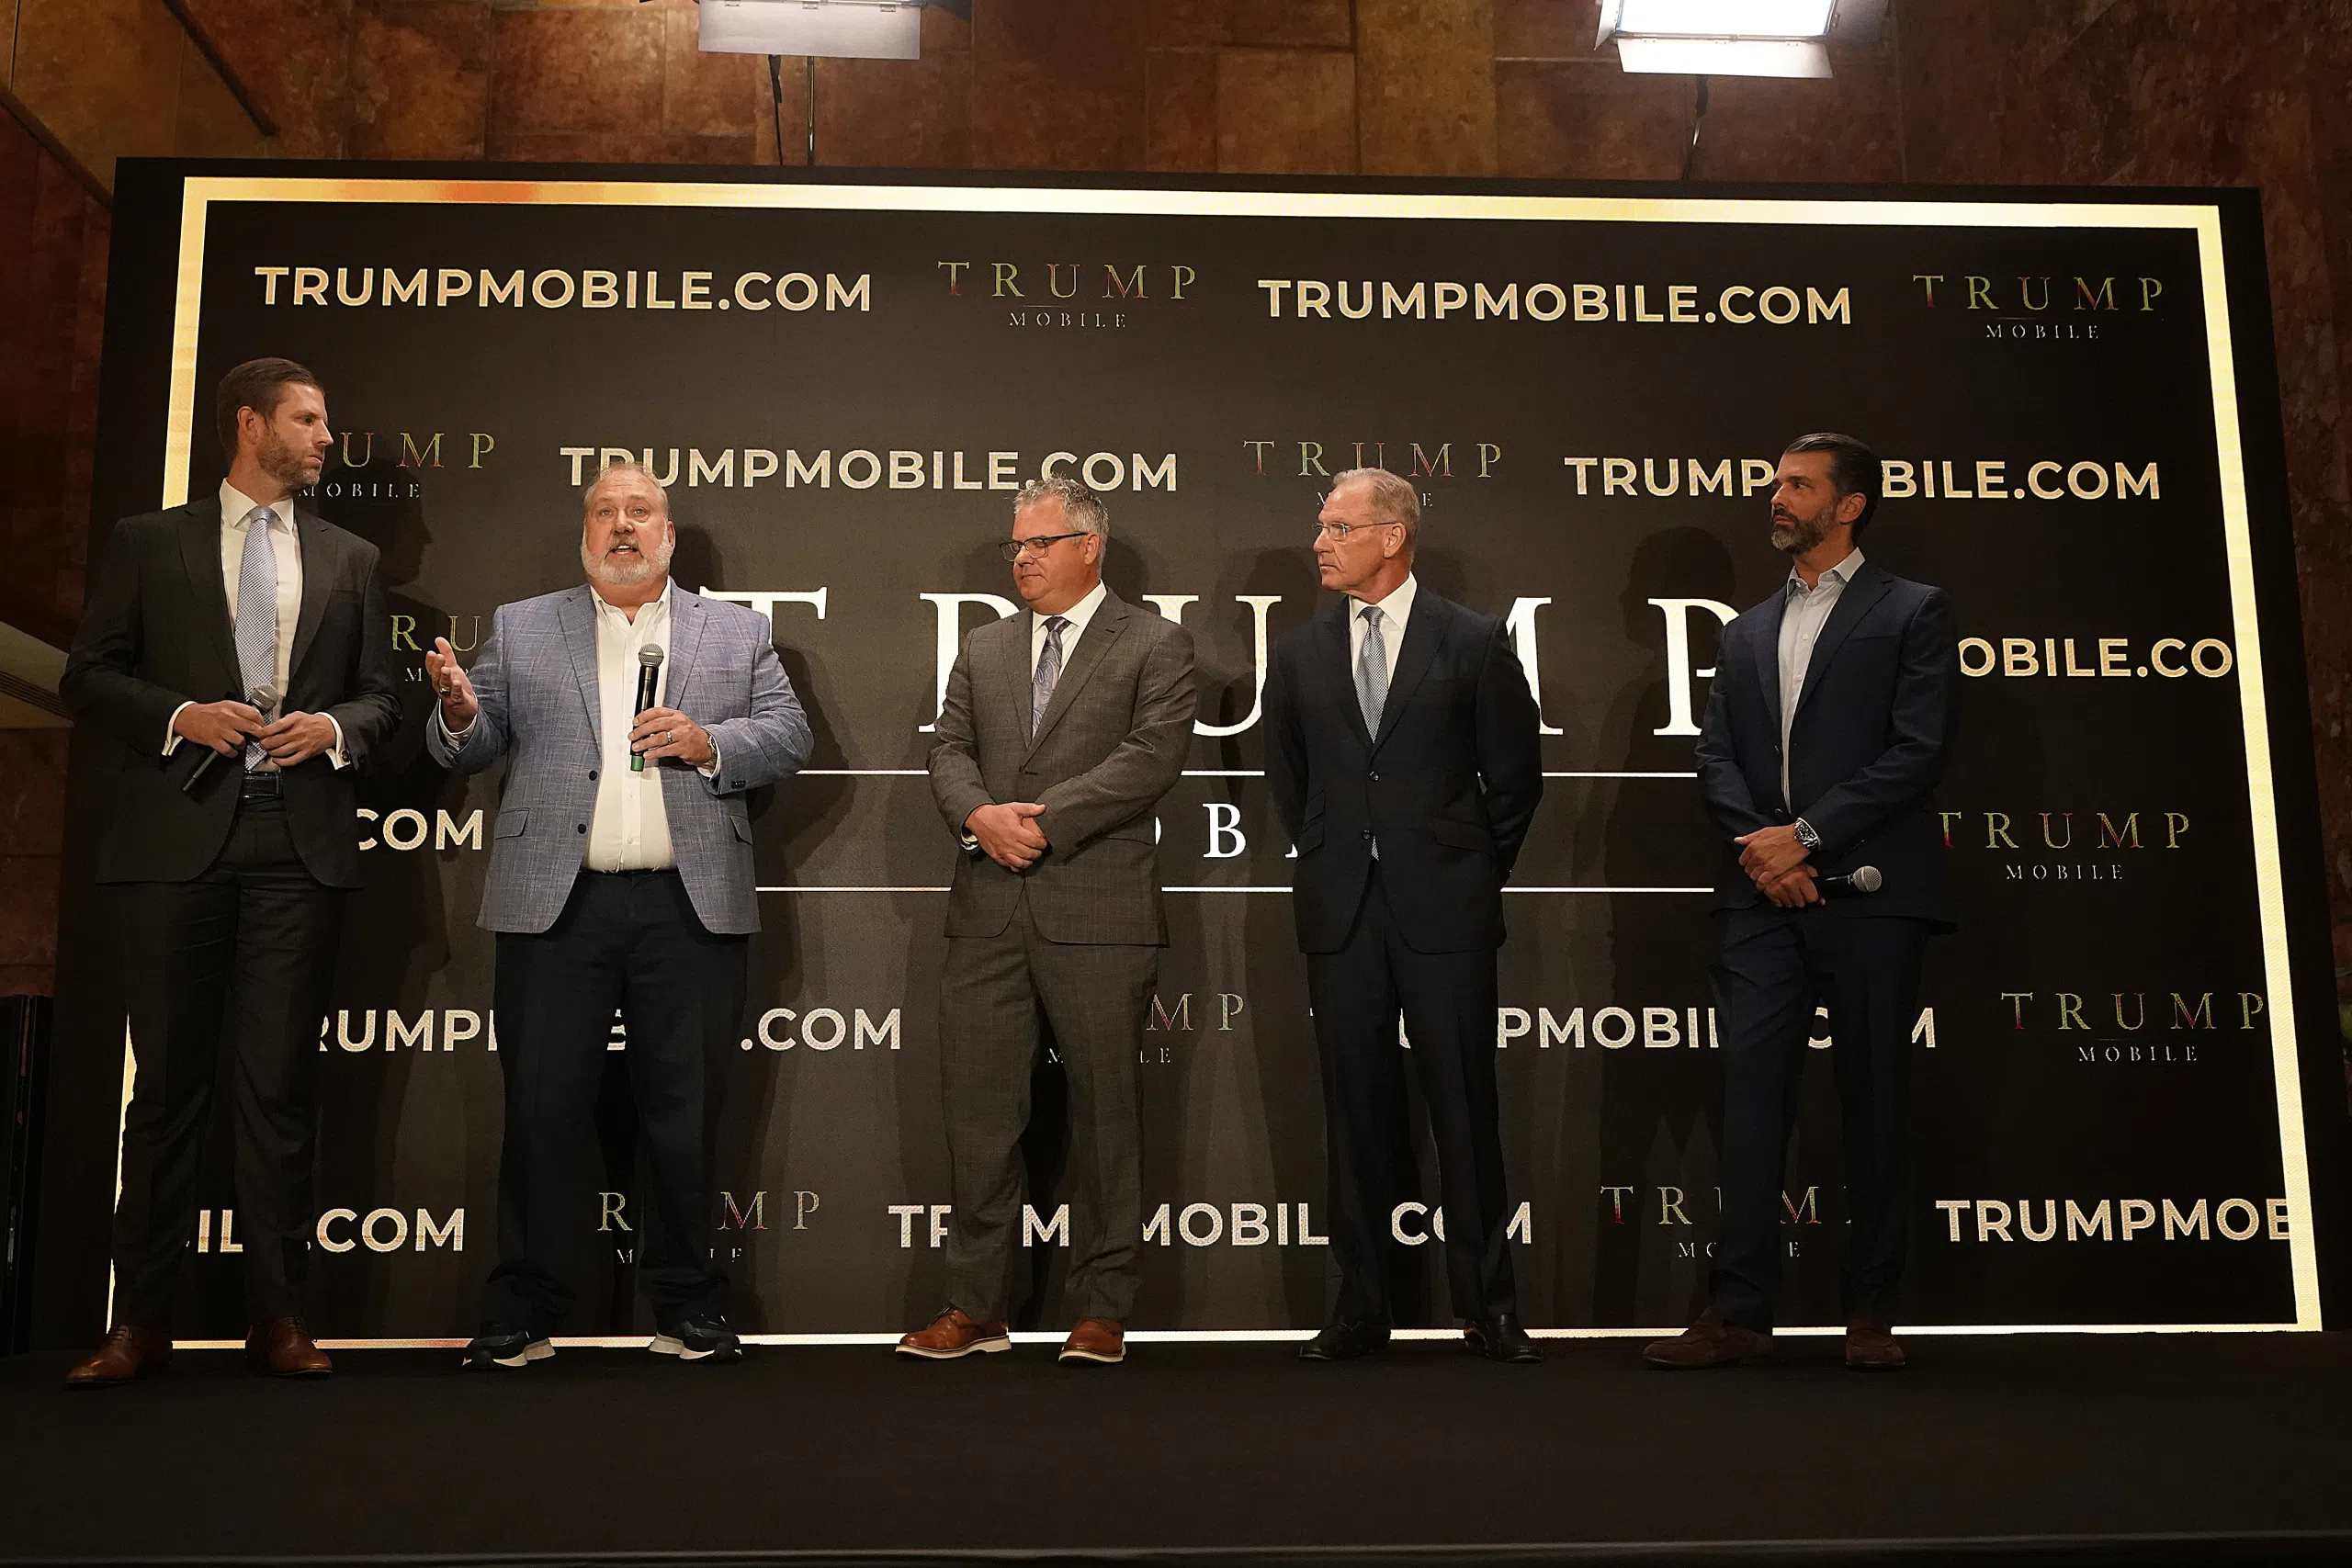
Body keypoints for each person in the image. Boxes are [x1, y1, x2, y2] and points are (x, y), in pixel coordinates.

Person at [59, 357, 401, 1387]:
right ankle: (138, 1323)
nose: (326, 437)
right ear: (249, 425)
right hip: (176, 842)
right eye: (308, 419)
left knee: (278, 1090)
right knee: (166, 1090)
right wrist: (181, 715)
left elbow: (382, 699)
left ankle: (279, 1318)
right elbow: (87, 674)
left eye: (325, 421)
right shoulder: (148, 541)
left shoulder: (351, 556)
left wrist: (332, 729)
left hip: (298, 844)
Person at [425, 460, 810, 1371]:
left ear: (669, 536)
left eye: (641, 511)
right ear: (585, 535)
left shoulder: (736, 631)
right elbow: (472, 744)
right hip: (558, 907)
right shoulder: (522, 627)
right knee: (540, 1109)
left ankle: (688, 1302)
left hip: (687, 906)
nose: (623, 525)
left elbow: (789, 736)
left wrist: (709, 742)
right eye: (606, 512)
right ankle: (522, 1306)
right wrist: (458, 710)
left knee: (686, 1111)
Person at [1644, 432, 1958, 1373]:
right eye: (1775, 483)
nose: (1777, 497)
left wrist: (1808, 836)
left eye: (1798, 485)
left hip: (1869, 896)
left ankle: (1871, 1311)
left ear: (1849, 505)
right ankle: (1738, 1310)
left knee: (1874, 1098)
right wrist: (1765, 849)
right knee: (1749, 1100)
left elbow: (1917, 750)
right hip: (1759, 898)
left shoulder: (1911, 610)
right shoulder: (1745, 630)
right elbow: (1716, 756)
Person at [897, 476, 1194, 1368]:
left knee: (1107, 1117)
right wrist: (978, 815)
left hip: (1099, 911)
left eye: (1039, 543)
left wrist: (1038, 820)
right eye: (1015, 545)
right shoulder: (985, 647)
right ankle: (975, 1305)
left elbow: (1151, 757)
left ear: (1088, 546)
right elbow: (948, 749)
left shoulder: (1155, 642)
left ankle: (1103, 1308)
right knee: (979, 1116)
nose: (1022, 558)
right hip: (988, 910)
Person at [1262, 468, 1545, 1364]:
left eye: (1338, 528)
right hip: (1342, 910)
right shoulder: (1298, 653)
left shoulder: (1472, 639)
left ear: (1393, 536)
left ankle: (1490, 1307)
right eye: (1321, 527)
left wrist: (1466, 870)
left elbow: (1515, 778)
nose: (1320, 543)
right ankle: (1360, 1305)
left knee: (1464, 1105)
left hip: (1445, 909)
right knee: (1353, 1112)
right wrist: (1340, 853)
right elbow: (1291, 781)